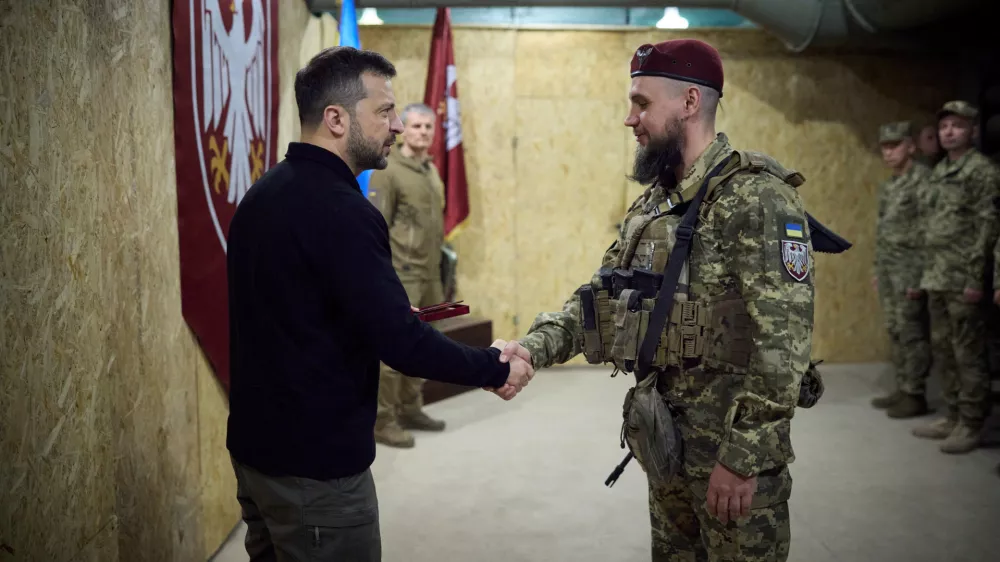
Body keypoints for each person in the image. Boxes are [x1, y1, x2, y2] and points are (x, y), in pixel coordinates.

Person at [225, 46, 533, 562]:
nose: (394, 124)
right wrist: (493, 366)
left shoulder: (262, 195)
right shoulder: (345, 211)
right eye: (384, 112)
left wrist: (375, 313)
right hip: (316, 473)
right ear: (336, 119)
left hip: (258, 456)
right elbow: (403, 346)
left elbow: (297, 309)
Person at [514, 39, 814, 561]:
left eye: (642, 103)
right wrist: (531, 349)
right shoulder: (654, 202)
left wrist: (743, 459)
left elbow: (783, 347)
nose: (630, 119)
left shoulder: (757, 198)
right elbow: (602, 297)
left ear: (690, 103)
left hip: (729, 456)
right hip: (664, 443)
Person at [912, 100, 1000, 454]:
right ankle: (951, 414)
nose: (949, 132)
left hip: (963, 277)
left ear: (974, 132)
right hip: (937, 274)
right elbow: (932, 227)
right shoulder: (940, 170)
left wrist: (977, 279)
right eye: (945, 126)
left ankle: (971, 422)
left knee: (969, 353)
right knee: (944, 349)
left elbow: (987, 227)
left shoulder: (983, 171)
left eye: (958, 126)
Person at [367, 103, 449, 448]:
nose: (422, 133)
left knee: (424, 345)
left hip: (430, 275)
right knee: (392, 351)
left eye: (428, 127)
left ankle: (411, 408)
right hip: (402, 275)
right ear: (405, 130)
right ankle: (383, 420)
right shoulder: (388, 170)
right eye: (416, 126)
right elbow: (374, 226)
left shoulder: (430, 170)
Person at [869, 121, 933, 418]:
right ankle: (904, 386)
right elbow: (884, 232)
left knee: (912, 333)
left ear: (911, 146)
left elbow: (928, 232)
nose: (889, 152)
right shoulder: (890, 186)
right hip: (890, 271)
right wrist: (877, 269)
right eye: (885, 146)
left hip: (910, 271)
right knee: (896, 330)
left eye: (895, 145)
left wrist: (920, 275)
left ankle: (915, 393)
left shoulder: (924, 182)